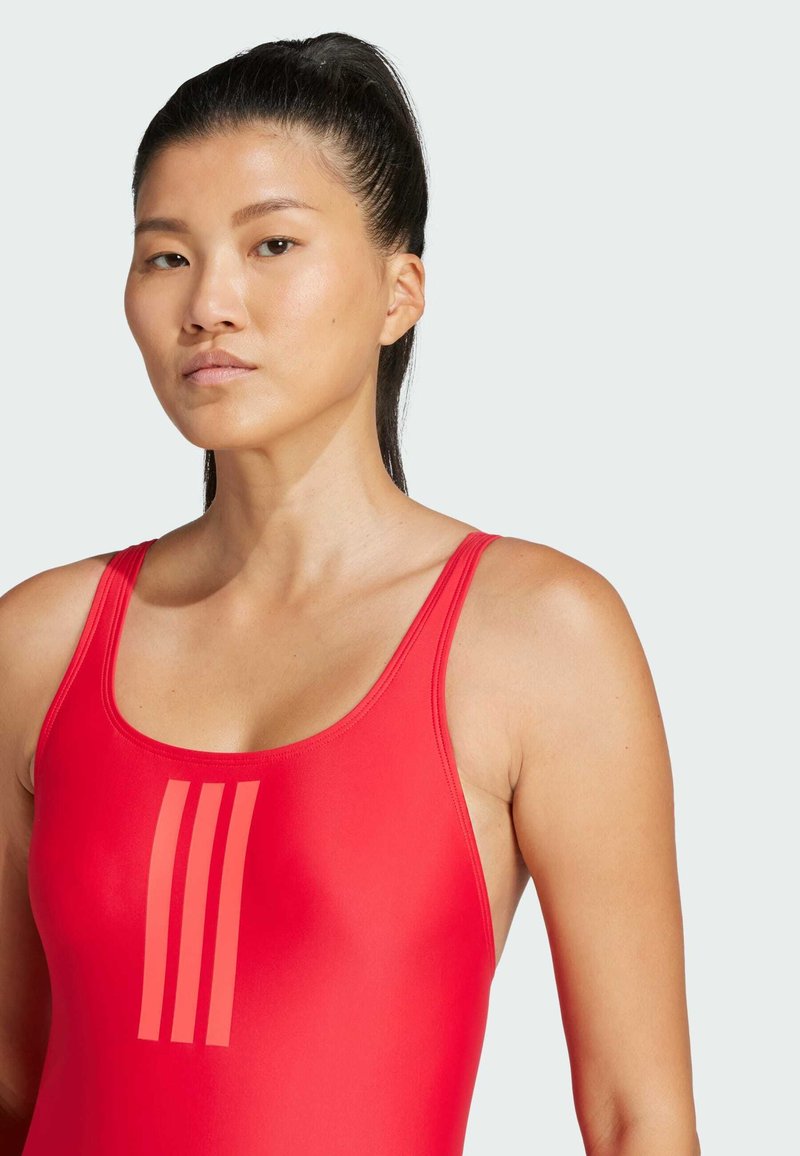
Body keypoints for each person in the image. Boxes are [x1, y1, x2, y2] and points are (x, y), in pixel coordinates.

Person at [0, 32, 701, 1156]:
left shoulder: (535, 639)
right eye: (166, 256)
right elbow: (11, 1081)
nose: (209, 303)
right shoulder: (37, 645)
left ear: (397, 292)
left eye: (271, 244)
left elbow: (638, 1122)